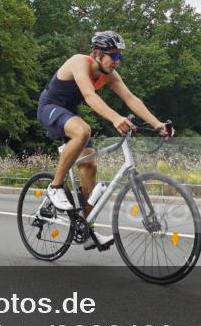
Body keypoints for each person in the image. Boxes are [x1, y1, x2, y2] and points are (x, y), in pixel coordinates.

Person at [36, 31, 172, 250]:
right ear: (98, 53)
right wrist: (115, 118)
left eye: (120, 57)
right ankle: (55, 186)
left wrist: (157, 124)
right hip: (49, 107)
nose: (117, 62)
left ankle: (88, 229)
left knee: (89, 166)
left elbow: (130, 98)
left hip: (69, 112)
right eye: (113, 56)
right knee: (83, 131)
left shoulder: (109, 74)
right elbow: (90, 96)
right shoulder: (79, 62)